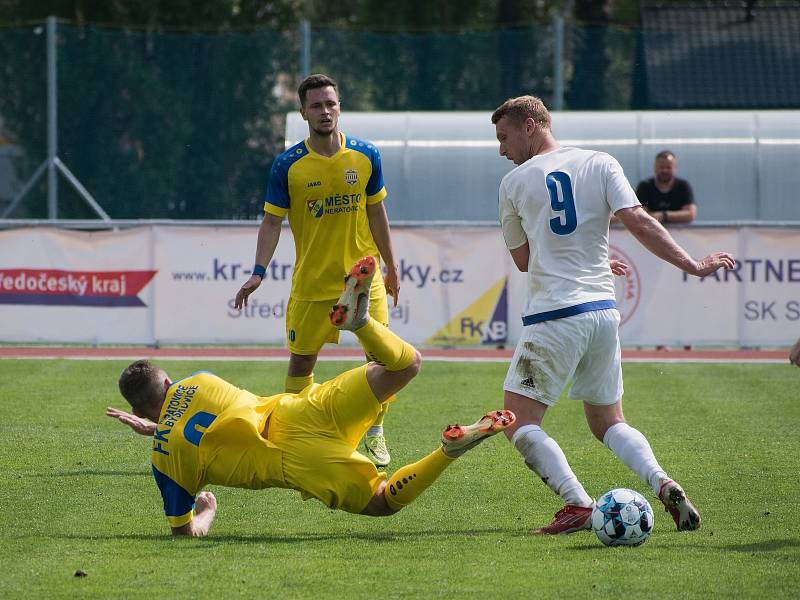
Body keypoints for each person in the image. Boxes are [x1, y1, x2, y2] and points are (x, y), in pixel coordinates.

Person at [108, 256, 515, 537]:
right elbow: (191, 419)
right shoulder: (197, 380)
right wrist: (162, 423)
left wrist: (207, 513)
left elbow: (183, 531)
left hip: (297, 462)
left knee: (383, 501)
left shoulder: (165, 461)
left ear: (136, 409)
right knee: (404, 366)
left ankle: (447, 450)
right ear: (166, 383)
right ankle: (362, 324)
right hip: (303, 409)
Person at [491, 96, 736, 535]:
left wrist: (564, 258)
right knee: (608, 421)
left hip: (554, 314)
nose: (502, 150)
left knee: (518, 422)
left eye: (504, 137)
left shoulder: (514, 182)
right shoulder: (601, 162)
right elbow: (639, 222)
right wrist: (695, 265)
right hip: (603, 313)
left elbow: (526, 261)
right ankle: (661, 481)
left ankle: (578, 504)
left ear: (530, 126)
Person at [234, 73, 400, 468]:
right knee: (301, 363)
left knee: (381, 361)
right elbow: (272, 222)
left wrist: (392, 265)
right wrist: (258, 271)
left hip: (363, 279)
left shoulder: (366, 155)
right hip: (313, 285)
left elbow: (377, 211)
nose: (326, 111)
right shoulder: (287, 165)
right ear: (303, 111)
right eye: (317, 105)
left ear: (339, 106)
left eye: (331, 103)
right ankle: (294, 434)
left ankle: (374, 430)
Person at [635, 150, 697, 224]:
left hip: (680, 232)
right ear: (655, 167)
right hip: (651, 231)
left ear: (675, 168)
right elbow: (640, 214)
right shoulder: (645, 186)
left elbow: (690, 215)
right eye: (661, 167)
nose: (665, 171)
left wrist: (663, 215)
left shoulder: (683, 186)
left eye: (669, 167)